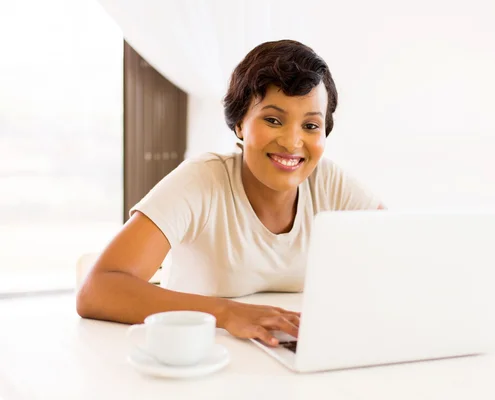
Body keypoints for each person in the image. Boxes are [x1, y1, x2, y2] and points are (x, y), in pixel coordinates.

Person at [76, 39, 384, 347]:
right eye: (273, 120)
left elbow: (405, 257)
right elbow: (97, 290)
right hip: (197, 357)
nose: (292, 142)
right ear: (240, 124)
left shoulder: (329, 183)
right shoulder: (201, 181)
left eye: (311, 126)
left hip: (288, 356)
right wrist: (226, 313)